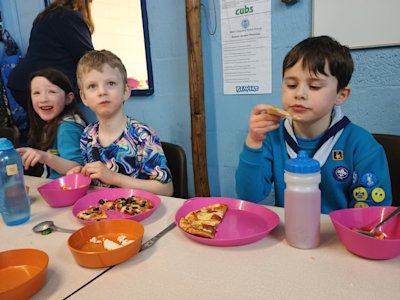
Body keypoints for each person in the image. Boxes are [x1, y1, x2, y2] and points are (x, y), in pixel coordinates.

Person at [235, 35, 392, 214]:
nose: (300, 94)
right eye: (292, 85)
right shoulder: (272, 136)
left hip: (338, 237)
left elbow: (372, 214)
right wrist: (253, 141)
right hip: (290, 235)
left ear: (341, 95)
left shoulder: (362, 145)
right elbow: (249, 195)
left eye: (315, 86)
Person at [69, 49, 173, 196]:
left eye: (110, 83)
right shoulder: (87, 135)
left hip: (139, 213)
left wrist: (114, 177)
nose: (102, 92)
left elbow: (166, 189)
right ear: (84, 97)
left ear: (125, 91)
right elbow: (95, 185)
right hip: (102, 213)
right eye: (92, 86)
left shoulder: (142, 134)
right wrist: (81, 175)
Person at [7, 0, 94, 124]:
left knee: (46, 132)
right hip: (50, 86)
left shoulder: (45, 16)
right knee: (64, 129)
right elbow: (89, 59)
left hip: (25, 85)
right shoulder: (70, 17)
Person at [17, 68, 86, 179]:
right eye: (36, 93)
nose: (43, 99)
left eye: (51, 92)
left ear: (68, 98)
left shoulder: (67, 128)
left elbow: (77, 168)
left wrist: (45, 157)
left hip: (65, 191)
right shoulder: (50, 124)